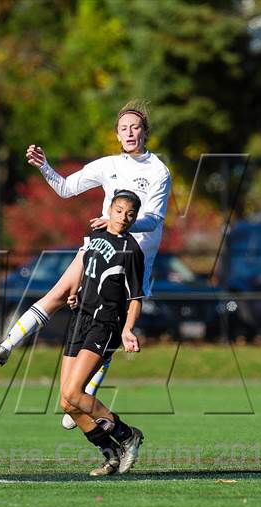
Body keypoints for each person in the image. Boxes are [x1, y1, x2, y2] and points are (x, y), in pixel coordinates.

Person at [0, 100, 171, 425]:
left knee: (110, 324)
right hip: (100, 244)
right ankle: (8, 345)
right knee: (57, 294)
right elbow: (67, 189)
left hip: (132, 258)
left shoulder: (158, 171)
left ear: (145, 132)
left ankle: (85, 395)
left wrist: (119, 224)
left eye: (135, 127)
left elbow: (152, 219)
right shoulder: (109, 164)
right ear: (117, 134)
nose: (129, 133)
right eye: (123, 128)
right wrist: (44, 166)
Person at [60, 190, 145, 476]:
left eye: (130, 214)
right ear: (110, 209)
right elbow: (87, 268)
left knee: (75, 392)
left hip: (105, 324)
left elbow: (135, 297)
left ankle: (127, 435)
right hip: (79, 319)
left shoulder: (132, 250)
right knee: (66, 402)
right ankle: (110, 455)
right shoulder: (95, 235)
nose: (124, 217)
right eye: (119, 210)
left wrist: (127, 329)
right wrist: (76, 292)